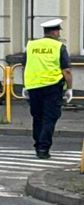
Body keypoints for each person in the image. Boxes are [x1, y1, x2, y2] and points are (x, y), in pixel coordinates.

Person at [23, 19, 73, 159]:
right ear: (55, 31)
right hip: (52, 87)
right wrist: (69, 89)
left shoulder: (31, 45)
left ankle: (38, 144)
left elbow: (25, 66)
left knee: (37, 117)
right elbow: (67, 71)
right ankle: (43, 148)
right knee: (50, 117)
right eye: (58, 31)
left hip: (33, 87)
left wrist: (25, 86)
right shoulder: (59, 47)